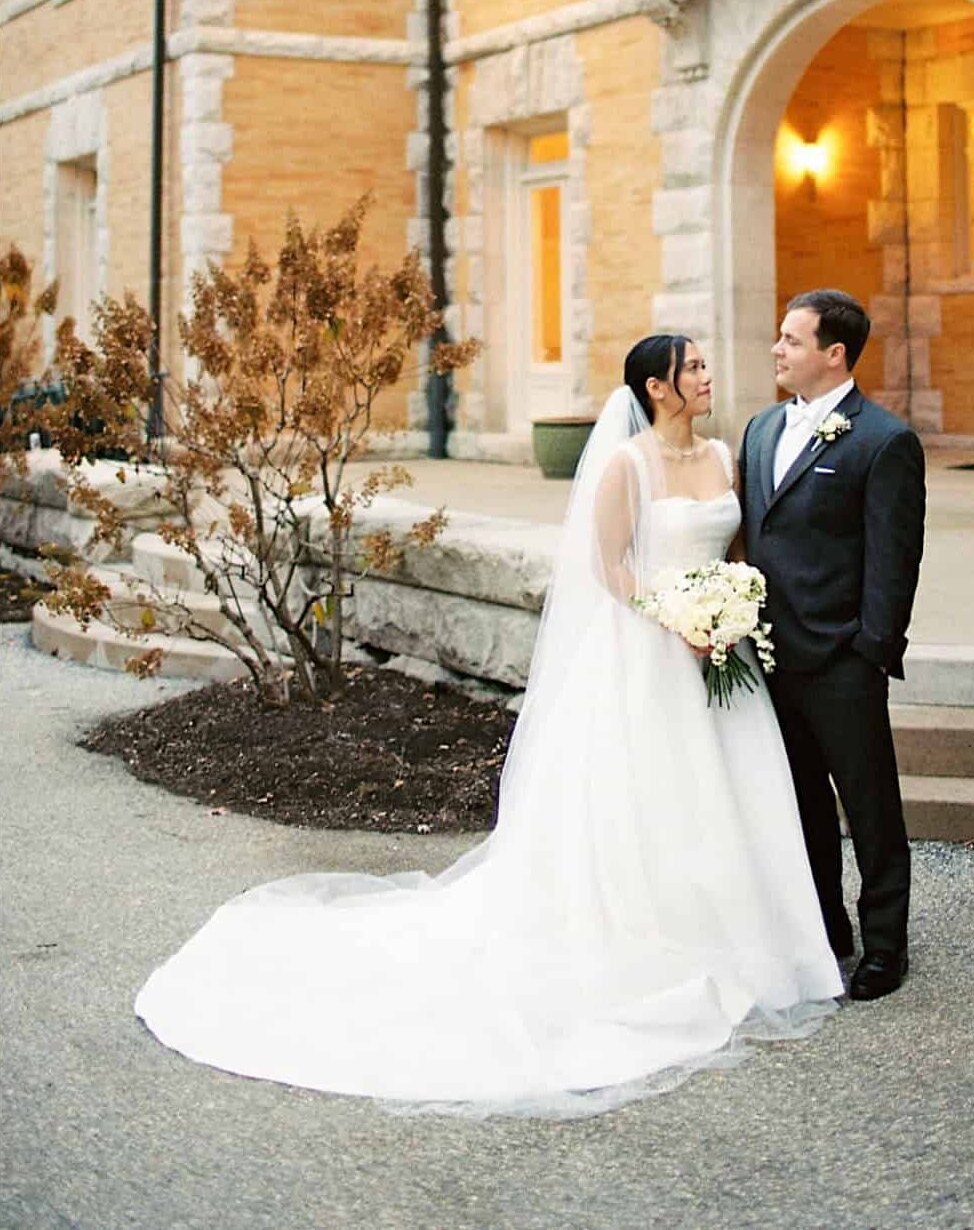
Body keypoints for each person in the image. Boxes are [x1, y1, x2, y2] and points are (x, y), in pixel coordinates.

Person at [133, 335, 843, 1114]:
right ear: (658, 386)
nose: (709, 375)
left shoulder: (719, 455)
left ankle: (749, 936)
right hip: (650, 654)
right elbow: (610, 569)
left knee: (727, 795)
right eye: (695, 367)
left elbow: (732, 545)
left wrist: (728, 606)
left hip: (720, 661)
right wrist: (676, 617)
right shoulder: (625, 465)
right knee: (648, 797)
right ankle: (652, 934)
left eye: (709, 363)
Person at [737, 289, 925, 1001]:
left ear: (833, 352)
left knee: (870, 808)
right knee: (801, 807)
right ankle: (824, 928)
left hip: (841, 660)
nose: (778, 350)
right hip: (766, 658)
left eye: (790, 339)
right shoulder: (759, 430)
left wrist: (870, 649)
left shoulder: (882, 440)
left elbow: (893, 557)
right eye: (779, 337)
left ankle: (885, 946)